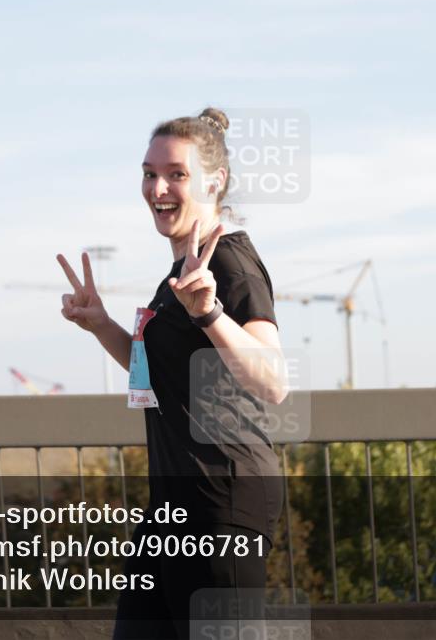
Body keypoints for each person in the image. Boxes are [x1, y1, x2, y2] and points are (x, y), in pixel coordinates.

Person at [56, 107, 286, 639]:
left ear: (215, 181)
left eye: (176, 174)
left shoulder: (229, 264)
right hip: (173, 511)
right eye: (148, 173)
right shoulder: (180, 274)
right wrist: (101, 325)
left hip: (221, 501)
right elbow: (159, 375)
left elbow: (273, 382)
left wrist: (210, 313)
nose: (158, 187)